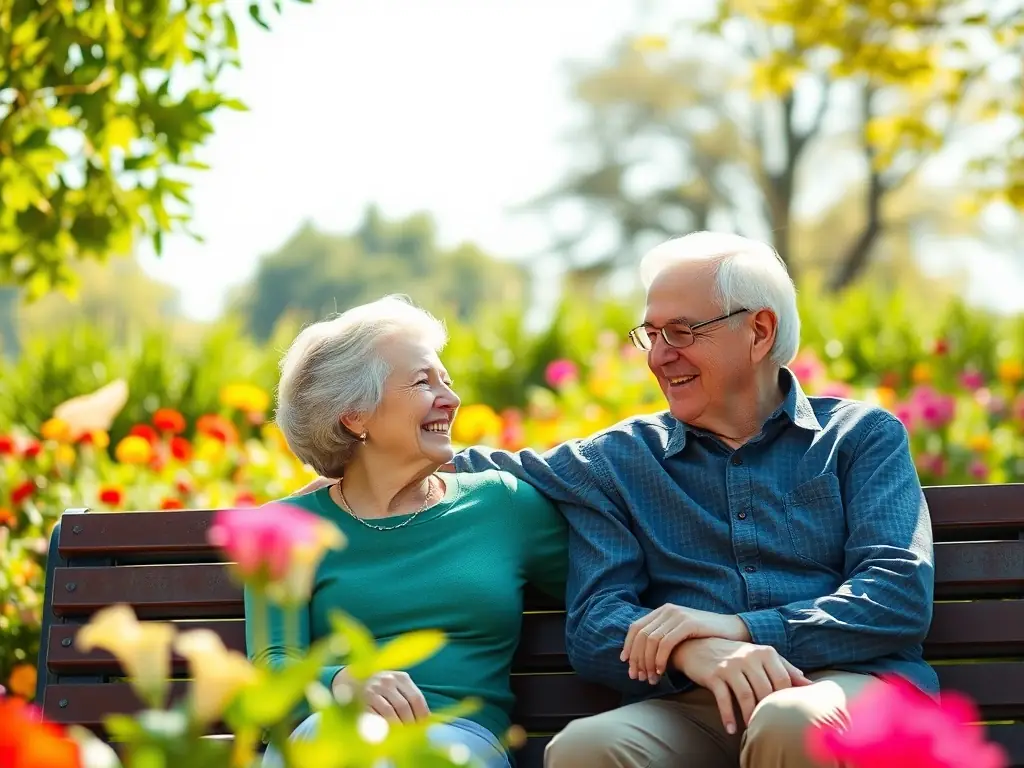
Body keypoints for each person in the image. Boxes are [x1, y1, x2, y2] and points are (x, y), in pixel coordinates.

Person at [296, 232, 938, 768]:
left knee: (789, 721)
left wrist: (740, 630)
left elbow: (895, 594)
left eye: (682, 332)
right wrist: (691, 650)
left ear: (760, 331)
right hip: (699, 704)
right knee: (586, 747)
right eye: (651, 334)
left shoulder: (861, 437)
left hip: (846, 687)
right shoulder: (622, 461)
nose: (660, 356)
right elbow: (597, 620)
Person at [252, 295, 568, 768]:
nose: (452, 399)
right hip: (331, 734)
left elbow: (603, 588)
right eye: (424, 382)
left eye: (447, 380)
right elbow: (270, 670)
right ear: (355, 414)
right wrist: (343, 682)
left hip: (457, 744)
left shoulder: (502, 504)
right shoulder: (285, 530)